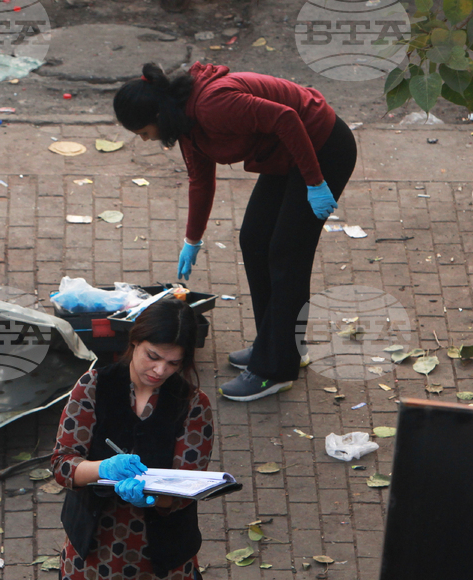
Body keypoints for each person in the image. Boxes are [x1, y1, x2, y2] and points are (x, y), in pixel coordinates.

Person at [113, 62, 358, 401]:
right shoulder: (186, 123)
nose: (145, 139)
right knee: (254, 241)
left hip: (321, 147)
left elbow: (287, 118)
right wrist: (192, 240)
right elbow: (200, 180)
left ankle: (276, 370)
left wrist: (315, 183)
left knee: (286, 254)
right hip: (284, 153)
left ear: (159, 113)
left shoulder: (213, 106)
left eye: (143, 130)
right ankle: (279, 345)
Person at [52, 298, 214, 580]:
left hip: (161, 564)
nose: (159, 370)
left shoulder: (193, 405)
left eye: (173, 363)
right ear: (134, 344)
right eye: (152, 356)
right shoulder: (93, 386)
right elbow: (63, 465)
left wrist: (154, 497)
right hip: (94, 556)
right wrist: (103, 469)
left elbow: (186, 488)